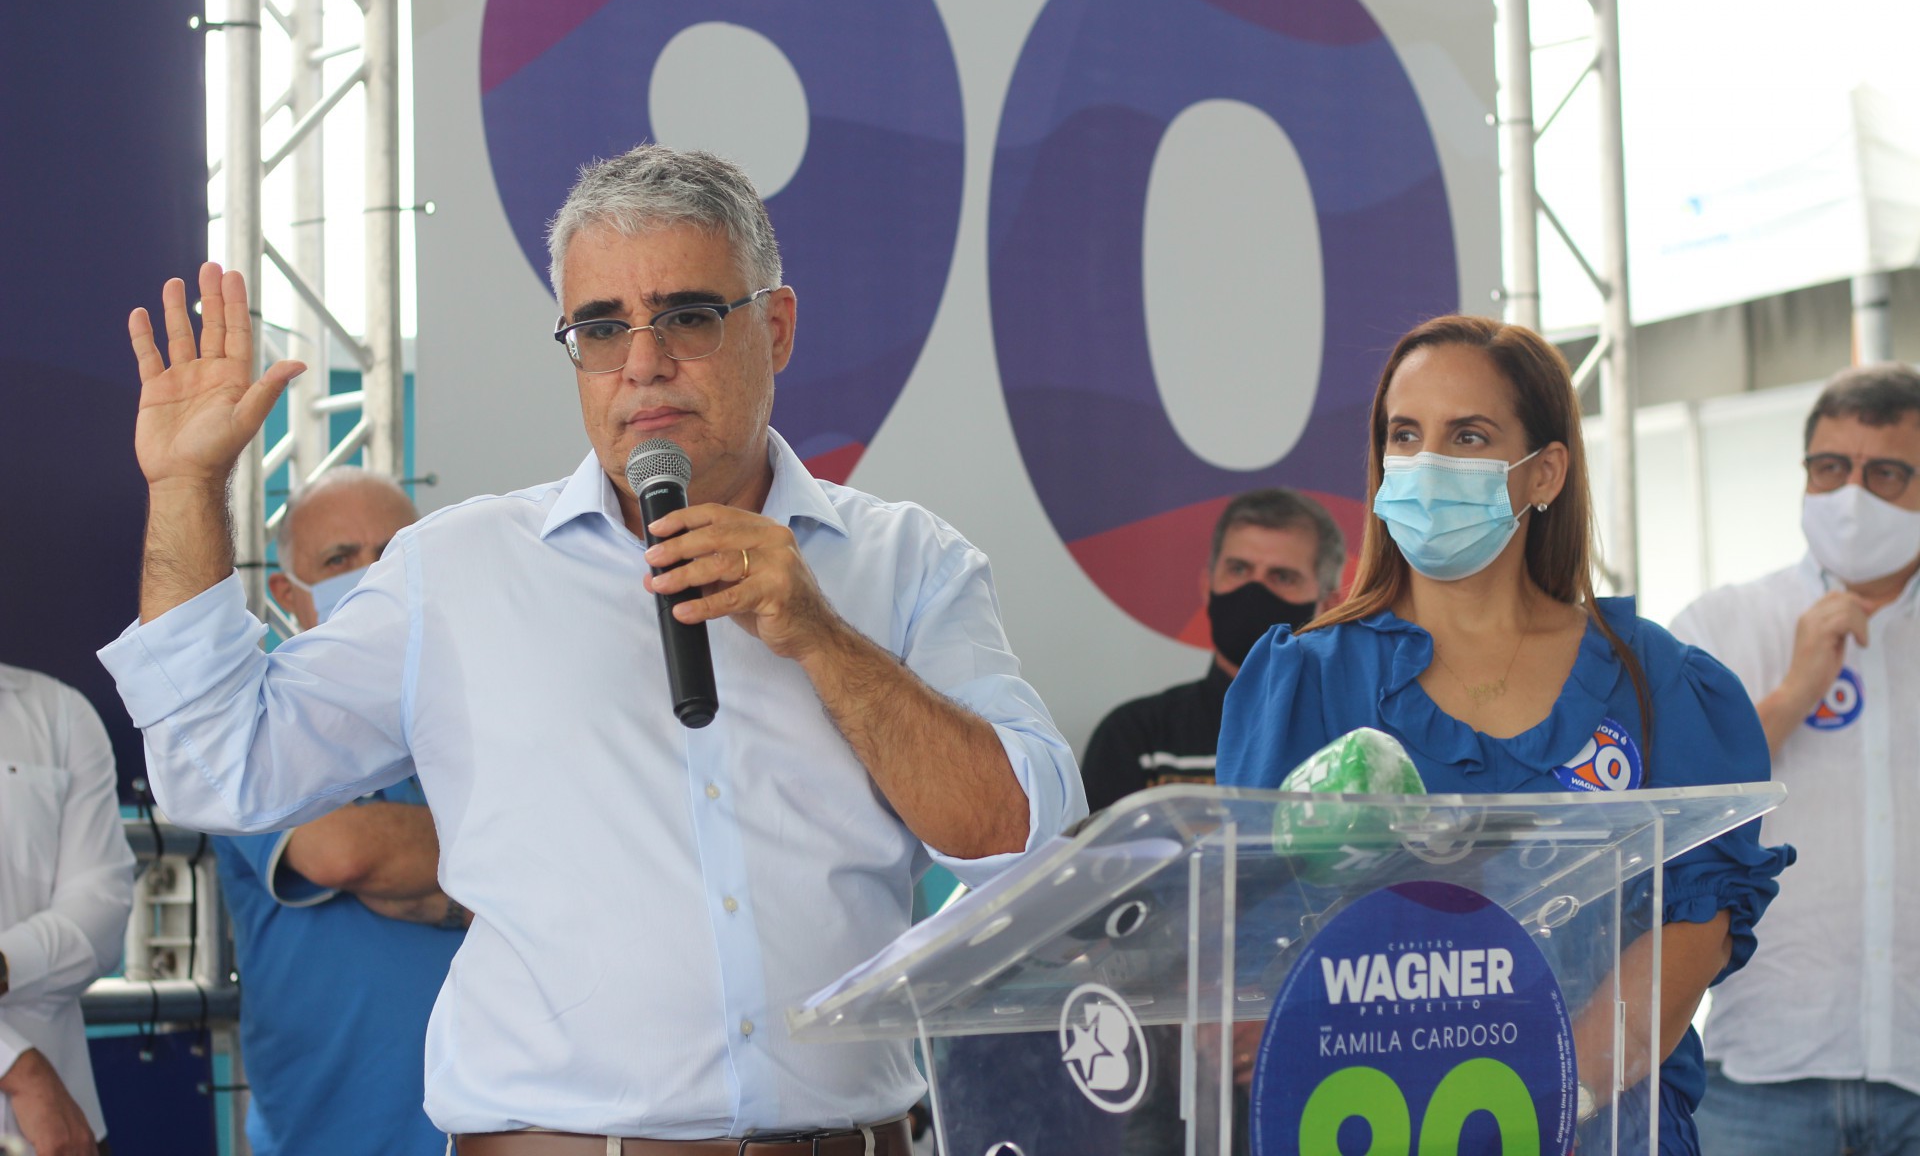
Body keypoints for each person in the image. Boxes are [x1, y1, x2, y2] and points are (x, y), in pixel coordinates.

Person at [98, 144, 1084, 1151]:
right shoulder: (459, 570)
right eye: (602, 327)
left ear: (775, 328)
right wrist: (185, 488)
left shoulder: (908, 561)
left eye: (688, 316)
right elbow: (217, 763)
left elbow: (1027, 840)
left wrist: (824, 639)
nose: (643, 362)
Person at [1214, 314, 1790, 1153]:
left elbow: (1694, 927)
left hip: (1600, 1129)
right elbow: (1251, 938)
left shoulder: (1658, 683)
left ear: (1544, 472)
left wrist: (1540, 1103)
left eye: (1469, 435)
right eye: (1404, 435)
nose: (1426, 463)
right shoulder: (1304, 680)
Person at [1671, 362, 1920, 1155]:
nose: (1852, 495)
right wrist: (1792, 691)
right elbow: (1673, 810)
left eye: (1885, 473)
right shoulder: (1724, 624)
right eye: (1829, 468)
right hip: (1763, 1069)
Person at [213, 467, 464, 1155]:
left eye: (394, 550)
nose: (373, 571)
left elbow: (569, 853)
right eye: (340, 559)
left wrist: (430, 887)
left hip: (496, 1127)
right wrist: (487, 879)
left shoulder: (484, 710)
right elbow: (341, 854)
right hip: (333, 1132)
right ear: (287, 593)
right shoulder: (256, 727)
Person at [1080, 488, 1344, 810]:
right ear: (1207, 586)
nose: (1254, 589)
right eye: (1238, 570)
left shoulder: (1350, 739)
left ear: (1330, 607)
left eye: (1282, 577)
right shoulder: (1137, 737)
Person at [0, 665, 135, 1155]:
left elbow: (101, 910)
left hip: (57, 1133)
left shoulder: (60, 712)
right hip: (42, 1098)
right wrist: (15, 1066)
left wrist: (7, 966)